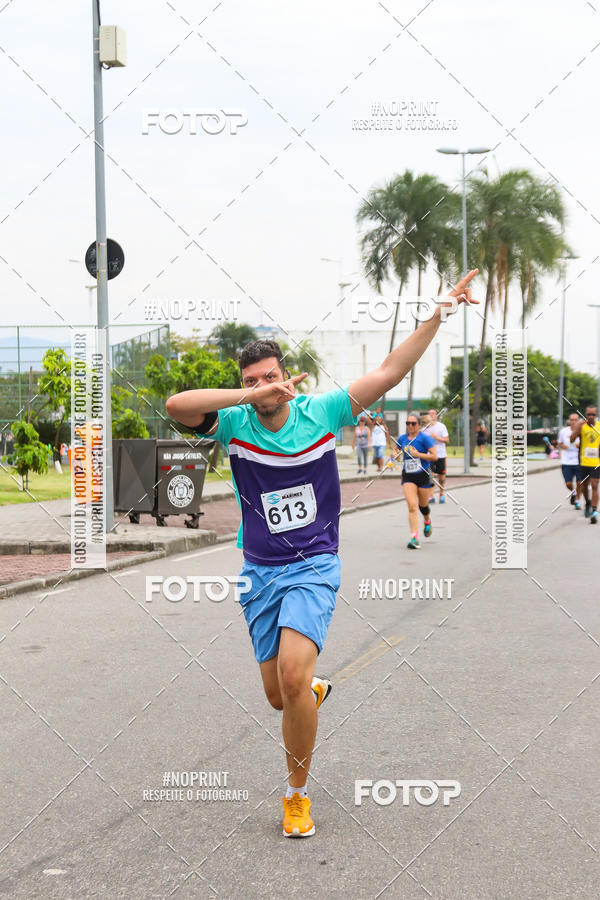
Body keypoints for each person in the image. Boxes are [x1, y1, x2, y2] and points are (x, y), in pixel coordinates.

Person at [165, 270, 479, 838]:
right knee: (278, 696)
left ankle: (295, 794)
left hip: (313, 565)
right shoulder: (235, 421)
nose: (265, 386)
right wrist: (246, 396)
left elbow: (390, 370)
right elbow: (177, 405)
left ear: (290, 378)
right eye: (253, 379)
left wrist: (438, 314)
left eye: (271, 377)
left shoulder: (322, 412)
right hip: (259, 572)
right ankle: (308, 692)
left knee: (289, 674)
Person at [393, 414, 437, 549]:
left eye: (413, 423)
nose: (410, 426)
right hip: (408, 476)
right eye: (408, 423)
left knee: (423, 506)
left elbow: (434, 456)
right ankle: (414, 537)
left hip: (423, 474)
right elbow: (396, 452)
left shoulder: (424, 439)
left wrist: (418, 455)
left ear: (418, 425)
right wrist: (395, 456)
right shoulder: (402, 439)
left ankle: (427, 520)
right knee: (412, 506)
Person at [571, 405, 600, 522]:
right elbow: (571, 439)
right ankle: (587, 502)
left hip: (596, 462)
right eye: (589, 414)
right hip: (583, 461)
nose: (591, 416)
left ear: (596, 415)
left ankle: (594, 510)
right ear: (585, 414)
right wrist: (577, 427)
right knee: (583, 487)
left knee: (594, 485)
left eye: (593, 414)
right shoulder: (581, 426)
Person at [423, 408, 449, 503]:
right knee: (430, 476)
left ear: (436, 416)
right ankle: (431, 495)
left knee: (441, 477)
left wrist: (436, 437)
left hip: (441, 455)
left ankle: (442, 494)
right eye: (429, 414)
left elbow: (447, 440)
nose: (431, 416)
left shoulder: (441, 426)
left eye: (433, 414)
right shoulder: (424, 428)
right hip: (429, 455)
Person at [558, 413, 581, 509]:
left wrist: (580, 446)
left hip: (579, 461)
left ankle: (577, 501)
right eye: (572, 420)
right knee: (568, 483)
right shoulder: (563, 431)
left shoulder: (582, 432)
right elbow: (559, 443)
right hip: (566, 461)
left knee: (580, 483)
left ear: (578, 421)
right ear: (569, 421)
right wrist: (563, 446)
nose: (574, 422)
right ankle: (574, 493)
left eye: (576, 420)